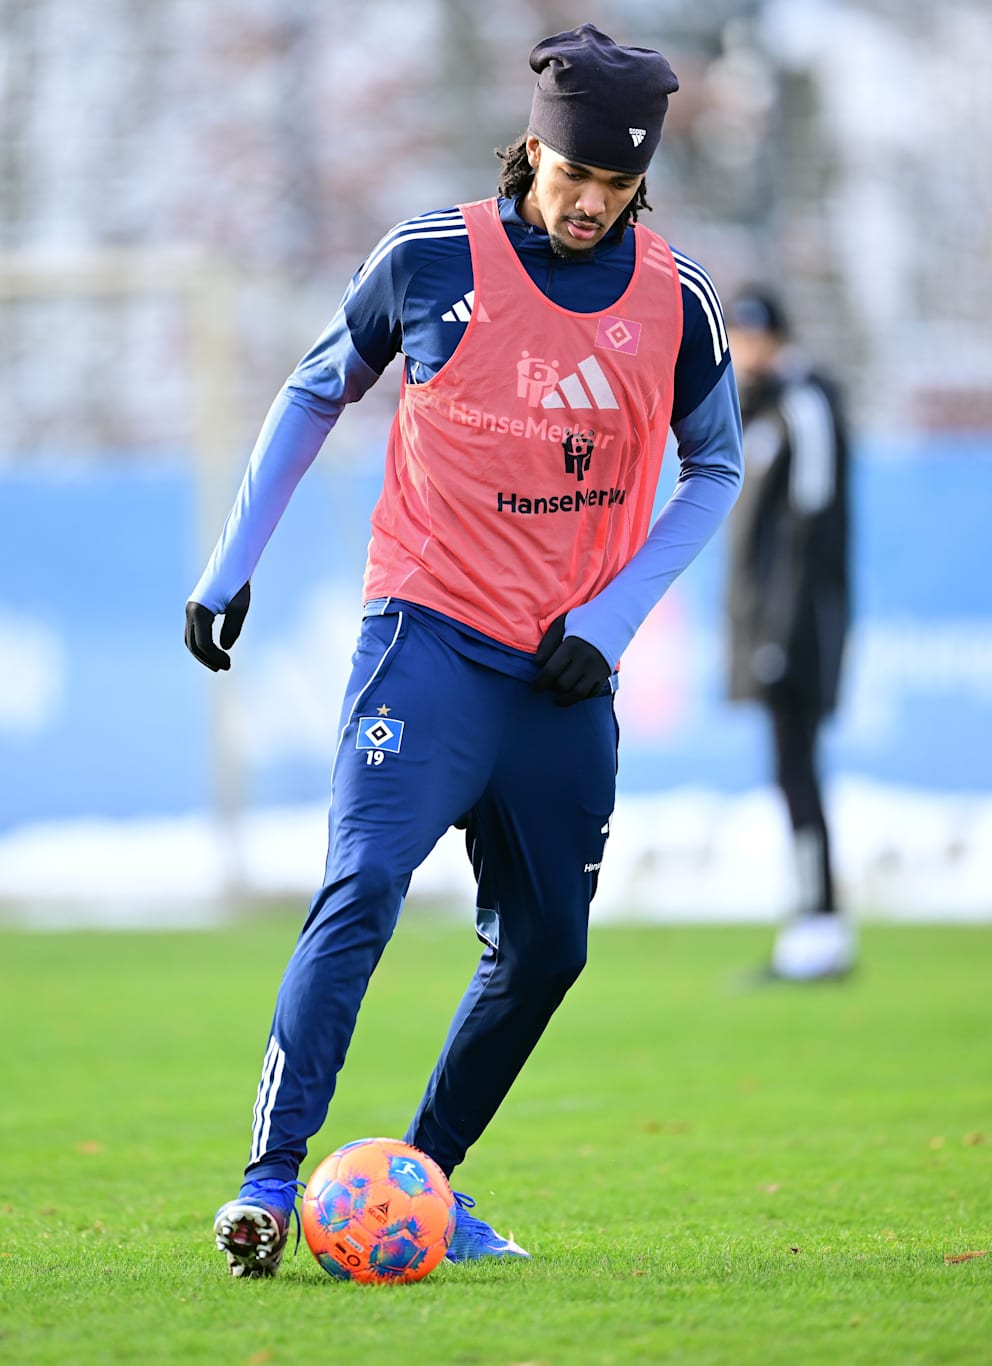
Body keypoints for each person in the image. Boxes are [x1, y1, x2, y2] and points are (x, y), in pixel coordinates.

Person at [185, 23, 743, 1277]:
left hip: (561, 678)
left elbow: (716, 469)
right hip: (424, 640)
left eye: (614, 185)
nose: (588, 204)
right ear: (531, 147)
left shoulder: (680, 300)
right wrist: (230, 569)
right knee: (364, 885)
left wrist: (608, 624)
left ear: (640, 181)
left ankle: (423, 1185)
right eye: (570, 176)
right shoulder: (430, 257)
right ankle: (269, 1182)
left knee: (548, 950)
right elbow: (314, 389)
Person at [724, 288, 852, 981]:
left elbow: (813, 528)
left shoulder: (806, 403)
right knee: (789, 770)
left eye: (752, 340)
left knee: (798, 768)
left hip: (797, 628)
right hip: (767, 627)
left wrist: (781, 629)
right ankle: (813, 916)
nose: (744, 354)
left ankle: (820, 923)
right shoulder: (762, 405)